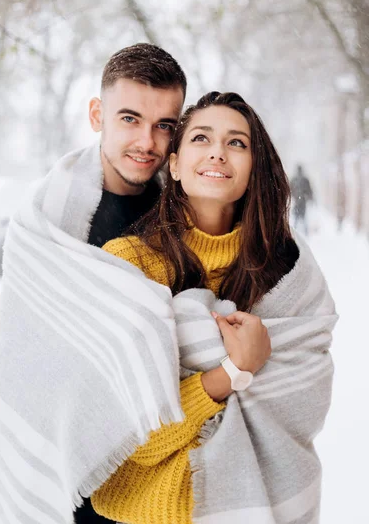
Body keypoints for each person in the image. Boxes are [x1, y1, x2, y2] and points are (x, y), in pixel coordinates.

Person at [90, 92, 309, 523]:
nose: (217, 153)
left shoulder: (287, 276)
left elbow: (299, 416)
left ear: (255, 167)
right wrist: (231, 374)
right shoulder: (127, 264)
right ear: (173, 164)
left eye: (237, 143)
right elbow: (119, 435)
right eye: (202, 138)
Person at [290, 163, 313, 235]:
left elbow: (290, 190)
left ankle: (296, 233)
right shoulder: (303, 179)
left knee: (300, 218)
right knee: (301, 218)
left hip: (300, 201)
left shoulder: (295, 179)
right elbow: (309, 190)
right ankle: (299, 233)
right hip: (301, 201)